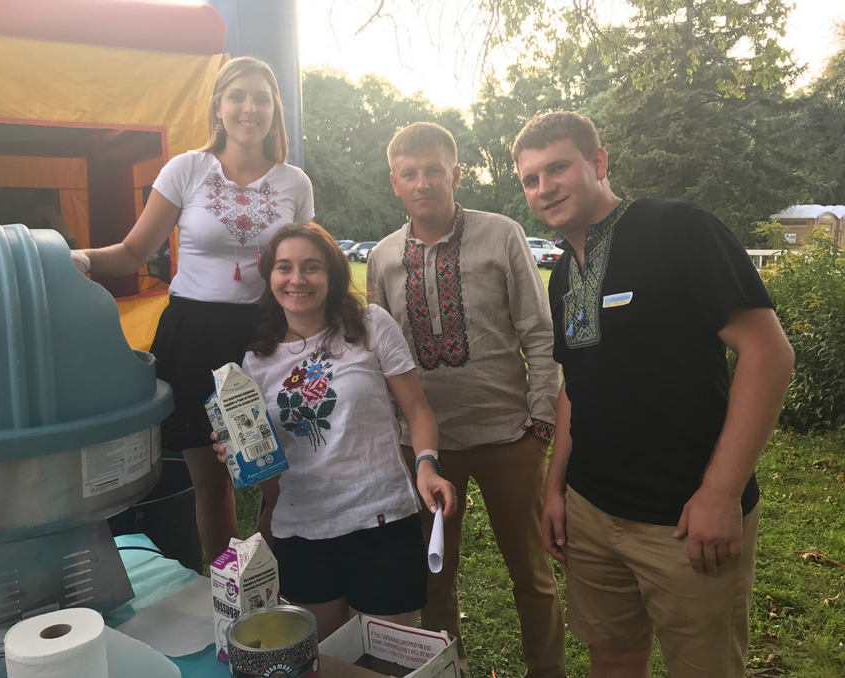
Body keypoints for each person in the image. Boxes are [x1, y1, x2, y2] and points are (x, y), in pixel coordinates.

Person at [512, 111, 795, 678]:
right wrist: (555, 488)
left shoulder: (677, 228)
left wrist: (720, 493)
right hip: (592, 514)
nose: (545, 187)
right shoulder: (564, 274)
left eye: (558, 167)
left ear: (598, 162)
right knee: (612, 661)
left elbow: (769, 354)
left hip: (685, 521)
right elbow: (575, 384)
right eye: (531, 179)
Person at [69, 57, 315, 561]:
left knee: (280, 480)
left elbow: (307, 264)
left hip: (267, 338)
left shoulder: (295, 183)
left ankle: (267, 581)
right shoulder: (187, 169)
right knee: (212, 484)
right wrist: (77, 258)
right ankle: (229, 588)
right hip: (193, 336)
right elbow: (132, 252)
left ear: (275, 109)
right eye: (238, 96)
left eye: (261, 98)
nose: (250, 108)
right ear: (218, 107)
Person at [367, 122, 567, 678]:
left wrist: (541, 422)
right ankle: (445, 669)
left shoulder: (501, 235)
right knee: (433, 575)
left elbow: (539, 333)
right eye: (410, 174)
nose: (423, 183)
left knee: (531, 572)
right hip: (426, 451)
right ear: (394, 183)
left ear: (456, 174)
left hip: (509, 437)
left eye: (434, 170)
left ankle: (547, 671)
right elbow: (375, 354)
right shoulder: (382, 257)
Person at [214, 221, 457, 640]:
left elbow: (417, 410)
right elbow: (267, 454)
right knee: (324, 660)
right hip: (302, 535)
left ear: (331, 274)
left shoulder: (370, 325)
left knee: (385, 661)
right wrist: (237, 451)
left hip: (382, 525)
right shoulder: (256, 361)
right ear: (269, 276)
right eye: (284, 267)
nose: (297, 279)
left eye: (311, 267)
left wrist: (427, 465)